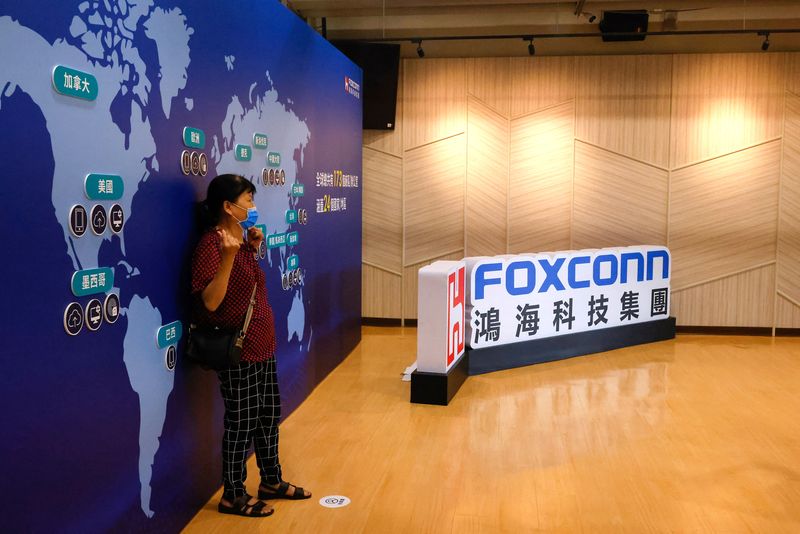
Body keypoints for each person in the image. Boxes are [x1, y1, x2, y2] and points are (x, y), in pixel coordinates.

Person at [191, 173, 311, 518]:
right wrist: (229, 257)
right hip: (238, 351)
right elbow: (211, 302)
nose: (253, 207)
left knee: (268, 416)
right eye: (248, 200)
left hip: (262, 345)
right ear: (228, 207)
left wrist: (251, 249)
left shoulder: (240, 240)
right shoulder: (211, 245)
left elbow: (245, 290)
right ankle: (233, 494)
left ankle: (271, 480)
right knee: (241, 423)